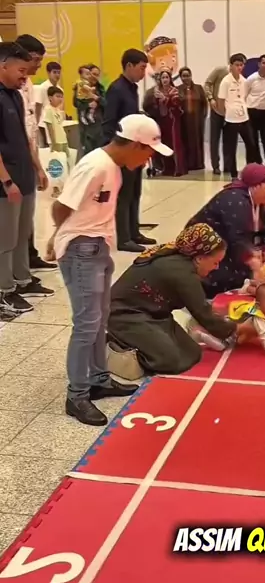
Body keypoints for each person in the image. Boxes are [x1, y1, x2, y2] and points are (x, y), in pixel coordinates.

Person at [48, 114, 172, 426]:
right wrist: (59, 235)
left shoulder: (114, 167)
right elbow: (60, 206)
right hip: (81, 249)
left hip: (98, 246)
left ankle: (98, 378)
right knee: (86, 324)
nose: (148, 160)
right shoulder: (95, 166)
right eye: (149, 152)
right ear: (134, 145)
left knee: (100, 319)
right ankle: (77, 394)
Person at [108, 224, 236, 376]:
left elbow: (199, 302)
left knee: (192, 353)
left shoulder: (183, 261)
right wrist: (236, 329)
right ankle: (114, 344)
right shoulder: (181, 272)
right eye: (215, 262)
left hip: (154, 315)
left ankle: (143, 341)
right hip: (124, 315)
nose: (217, 267)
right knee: (170, 361)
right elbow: (202, 312)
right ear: (199, 258)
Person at [0, 42, 54, 317]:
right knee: (5, 238)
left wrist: (38, 168)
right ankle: (4, 291)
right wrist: (7, 181)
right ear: (4, 65)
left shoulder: (15, 96)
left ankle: (21, 279)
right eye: (21, 70)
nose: (25, 76)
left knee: (22, 234)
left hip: (24, 175)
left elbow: (25, 137)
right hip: (6, 182)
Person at [186, 163, 265, 297]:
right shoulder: (236, 200)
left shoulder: (258, 201)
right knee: (235, 273)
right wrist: (252, 260)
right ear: (255, 186)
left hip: (225, 245)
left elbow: (263, 231)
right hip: (204, 248)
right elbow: (237, 238)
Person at [103, 48, 153, 252]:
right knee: (123, 195)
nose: (143, 73)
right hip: (123, 152)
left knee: (135, 192)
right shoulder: (116, 89)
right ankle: (123, 238)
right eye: (141, 68)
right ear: (129, 66)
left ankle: (134, 231)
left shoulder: (132, 89)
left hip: (135, 151)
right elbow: (109, 123)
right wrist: (117, 152)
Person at [16, 33, 57, 274]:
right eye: (35, 59)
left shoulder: (30, 86)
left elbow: (30, 127)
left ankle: (29, 257)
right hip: (12, 159)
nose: (38, 65)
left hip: (28, 154)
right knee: (14, 219)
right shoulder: (9, 88)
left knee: (27, 213)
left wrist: (38, 165)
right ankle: (15, 270)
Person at [217, 53, 255, 179]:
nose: (239, 67)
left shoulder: (244, 81)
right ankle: (233, 174)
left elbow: (244, 97)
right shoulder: (226, 81)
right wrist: (224, 115)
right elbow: (221, 100)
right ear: (231, 66)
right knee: (231, 148)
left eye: (241, 65)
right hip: (231, 119)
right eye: (237, 65)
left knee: (251, 145)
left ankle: (250, 171)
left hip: (244, 118)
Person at [143, 70, 186, 176]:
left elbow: (177, 106)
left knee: (173, 144)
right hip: (161, 121)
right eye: (163, 78)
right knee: (163, 143)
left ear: (170, 79)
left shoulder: (174, 91)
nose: (165, 80)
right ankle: (165, 167)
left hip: (172, 122)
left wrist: (165, 99)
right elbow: (149, 106)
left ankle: (177, 168)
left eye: (167, 77)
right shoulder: (155, 91)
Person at [228, 284, 265, 361]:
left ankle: (238, 339)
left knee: (249, 334)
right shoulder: (259, 317)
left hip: (244, 328)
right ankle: (229, 337)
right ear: (258, 305)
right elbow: (264, 335)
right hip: (232, 329)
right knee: (255, 330)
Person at [245, 54, 265, 168]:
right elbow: (244, 95)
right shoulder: (251, 79)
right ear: (259, 64)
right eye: (264, 63)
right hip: (251, 112)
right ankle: (256, 164)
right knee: (253, 141)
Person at [178, 66, 208, 172]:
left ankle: (198, 164)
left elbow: (204, 104)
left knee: (197, 142)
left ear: (191, 76)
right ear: (180, 77)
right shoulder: (178, 89)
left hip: (197, 120)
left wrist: (203, 117)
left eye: (188, 75)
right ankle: (187, 164)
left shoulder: (199, 88)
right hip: (184, 121)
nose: (186, 78)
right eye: (183, 76)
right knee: (185, 142)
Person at [204, 61, 230, 174]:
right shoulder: (220, 70)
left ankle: (228, 166)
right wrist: (210, 98)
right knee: (214, 140)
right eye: (237, 64)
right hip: (216, 110)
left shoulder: (239, 77)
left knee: (228, 141)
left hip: (229, 112)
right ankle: (215, 165)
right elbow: (207, 84)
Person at [80, 63, 105, 154]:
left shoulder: (101, 88)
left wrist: (97, 98)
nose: (95, 77)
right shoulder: (81, 88)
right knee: (88, 155)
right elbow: (76, 103)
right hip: (86, 128)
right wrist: (88, 105)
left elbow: (106, 103)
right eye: (93, 74)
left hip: (99, 127)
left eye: (97, 75)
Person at [36, 61, 62, 148]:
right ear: (48, 73)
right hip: (44, 122)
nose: (57, 75)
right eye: (54, 72)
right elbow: (38, 106)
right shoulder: (42, 88)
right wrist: (36, 123)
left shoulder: (60, 89)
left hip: (56, 121)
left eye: (59, 72)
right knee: (47, 147)